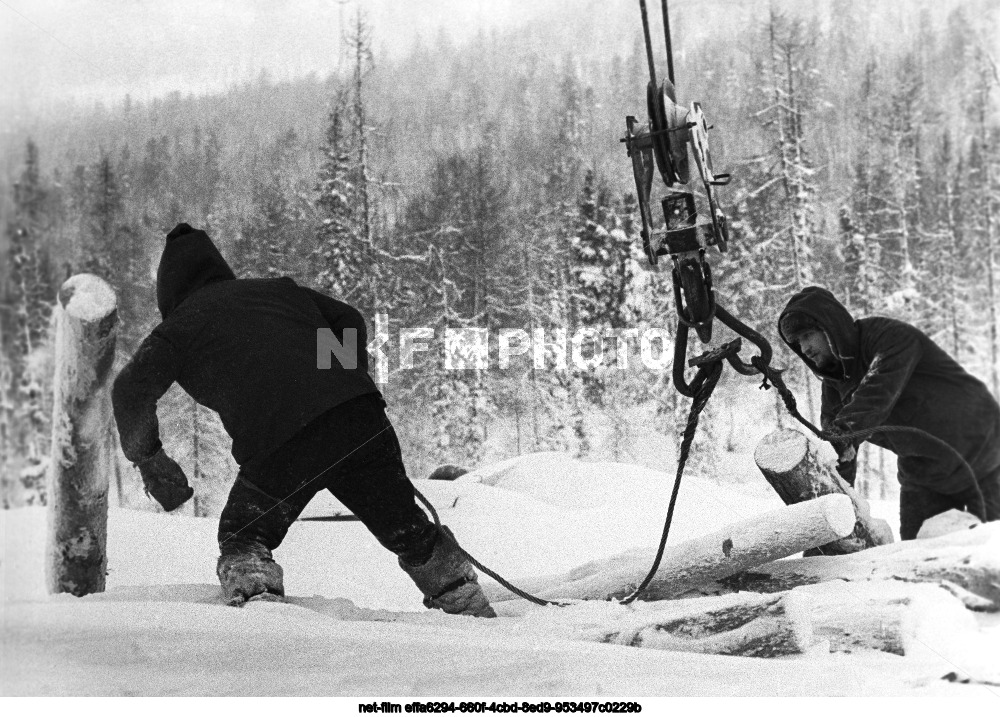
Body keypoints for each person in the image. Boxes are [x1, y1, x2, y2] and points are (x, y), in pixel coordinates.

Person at [112, 222, 495, 617]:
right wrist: (341, 381)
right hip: (361, 421)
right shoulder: (279, 291)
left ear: (168, 293)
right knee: (410, 531)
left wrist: (150, 458)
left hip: (284, 442)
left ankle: (268, 631)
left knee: (245, 537)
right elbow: (347, 318)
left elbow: (129, 390)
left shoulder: (180, 326)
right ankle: (471, 610)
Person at [778, 286, 1000, 540]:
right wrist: (829, 528)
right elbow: (838, 457)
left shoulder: (889, 337)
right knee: (913, 558)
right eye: (798, 342)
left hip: (984, 454)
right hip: (923, 472)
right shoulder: (833, 388)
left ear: (831, 327)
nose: (804, 348)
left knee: (992, 552)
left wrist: (844, 432)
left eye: (808, 335)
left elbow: (878, 392)